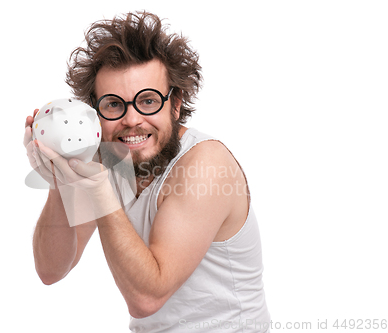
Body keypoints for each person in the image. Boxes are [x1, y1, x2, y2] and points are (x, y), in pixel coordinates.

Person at [23, 11, 270, 333]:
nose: (132, 119)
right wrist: (60, 179)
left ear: (176, 104)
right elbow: (52, 270)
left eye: (148, 101)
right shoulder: (109, 158)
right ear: (94, 112)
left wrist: (99, 191)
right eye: (113, 104)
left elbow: (147, 299)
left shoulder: (206, 163)